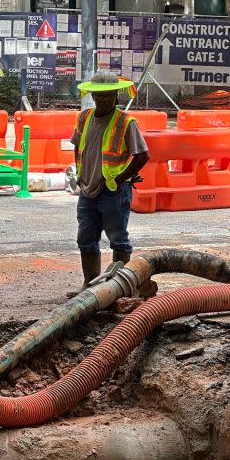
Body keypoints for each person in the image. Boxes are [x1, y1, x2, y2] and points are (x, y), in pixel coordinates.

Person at [67, 71, 150, 298]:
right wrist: (81, 173)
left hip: (114, 190)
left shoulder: (125, 122)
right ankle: (89, 285)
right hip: (88, 188)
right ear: (93, 96)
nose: (104, 100)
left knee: (118, 239)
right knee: (86, 238)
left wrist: (121, 177)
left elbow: (142, 155)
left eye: (108, 95)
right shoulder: (84, 118)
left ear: (116, 96)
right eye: (100, 96)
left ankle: (119, 289)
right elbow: (78, 144)